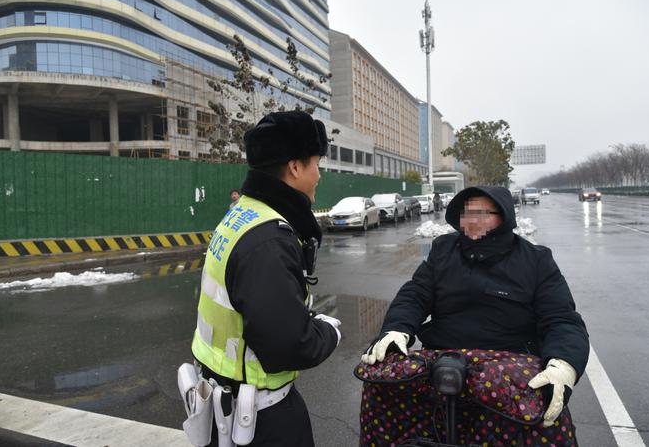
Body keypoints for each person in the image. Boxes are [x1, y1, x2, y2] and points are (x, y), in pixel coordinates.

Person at [361, 186, 589, 440]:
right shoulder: (443, 250)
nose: (470, 220)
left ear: (503, 217)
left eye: (481, 213)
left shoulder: (536, 261)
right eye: (466, 213)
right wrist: (397, 329)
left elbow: (561, 319)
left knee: (548, 424)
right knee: (379, 386)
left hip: (509, 371)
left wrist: (563, 364)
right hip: (442, 360)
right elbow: (415, 293)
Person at [190, 111, 341, 447]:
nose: (319, 175)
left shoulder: (244, 212)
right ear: (295, 167)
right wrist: (328, 332)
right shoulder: (269, 239)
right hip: (261, 420)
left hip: (226, 404)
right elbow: (289, 345)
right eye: (317, 164)